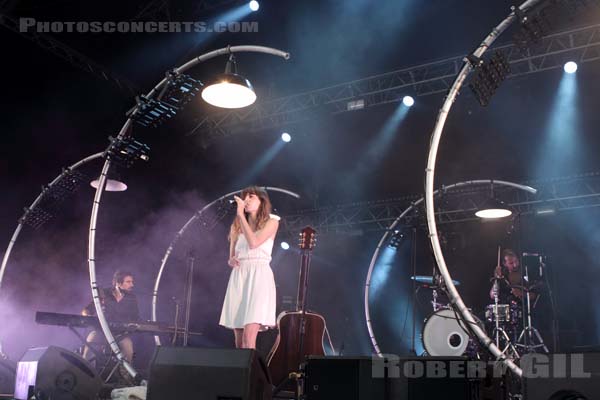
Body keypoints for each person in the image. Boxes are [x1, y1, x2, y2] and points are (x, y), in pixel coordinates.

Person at [219, 186, 280, 349]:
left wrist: (240, 214)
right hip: (240, 276)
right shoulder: (236, 226)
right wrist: (231, 260)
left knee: (248, 337)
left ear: (262, 201)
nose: (246, 200)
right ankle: (240, 374)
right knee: (239, 342)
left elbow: (254, 243)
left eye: (251, 196)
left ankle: (251, 374)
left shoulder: (272, 222)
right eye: (244, 197)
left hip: (259, 275)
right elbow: (231, 257)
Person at [82, 270, 140, 364]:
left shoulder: (132, 298)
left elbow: (136, 318)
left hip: (120, 334)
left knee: (128, 347)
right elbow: (87, 310)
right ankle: (87, 373)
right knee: (91, 341)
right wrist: (87, 317)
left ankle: (126, 376)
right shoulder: (104, 293)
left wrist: (133, 324)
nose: (132, 285)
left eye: (132, 282)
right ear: (118, 283)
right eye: (128, 282)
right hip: (101, 331)